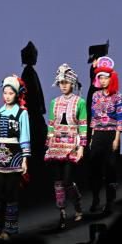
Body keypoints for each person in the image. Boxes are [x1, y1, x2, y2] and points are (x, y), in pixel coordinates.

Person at [0, 75, 32, 239]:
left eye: (11, 93)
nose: (7, 96)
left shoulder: (21, 113)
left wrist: (25, 159)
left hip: (15, 156)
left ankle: (9, 228)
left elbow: (24, 135)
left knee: (11, 192)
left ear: (16, 94)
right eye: (5, 93)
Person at [44, 64, 88, 228]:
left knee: (68, 180)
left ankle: (77, 206)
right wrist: (49, 144)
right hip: (56, 145)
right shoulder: (54, 102)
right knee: (57, 181)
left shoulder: (79, 102)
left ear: (72, 83)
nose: (63, 85)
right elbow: (51, 125)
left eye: (66, 82)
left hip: (71, 145)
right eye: (61, 82)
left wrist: (82, 146)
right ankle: (61, 211)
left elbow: (83, 124)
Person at [87, 58, 122, 215]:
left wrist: (117, 138)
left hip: (111, 135)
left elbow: (120, 118)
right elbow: (93, 117)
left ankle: (110, 201)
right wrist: (92, 137)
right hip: (98, 134)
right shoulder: (95, 95)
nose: (103, 80)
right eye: (100, 77)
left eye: (105, 77)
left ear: (111, 78)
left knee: (110, 168)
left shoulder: (118, 96)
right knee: (94, 168)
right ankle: (95, 198)